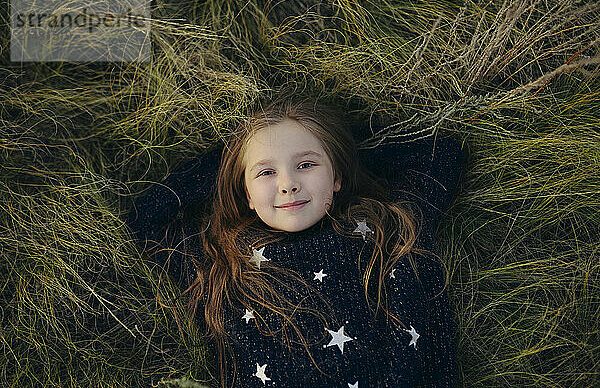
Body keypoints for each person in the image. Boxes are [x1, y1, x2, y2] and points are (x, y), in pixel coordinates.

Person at [128, 100, 465, 388]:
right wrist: (237, 149)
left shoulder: (386, 223)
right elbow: (147, 216)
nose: (288, 184)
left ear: (336, 177)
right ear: (245, 193)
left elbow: (441, 154)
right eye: (265, 173)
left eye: (306, 165)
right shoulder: (222, 256)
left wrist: (338, 143)